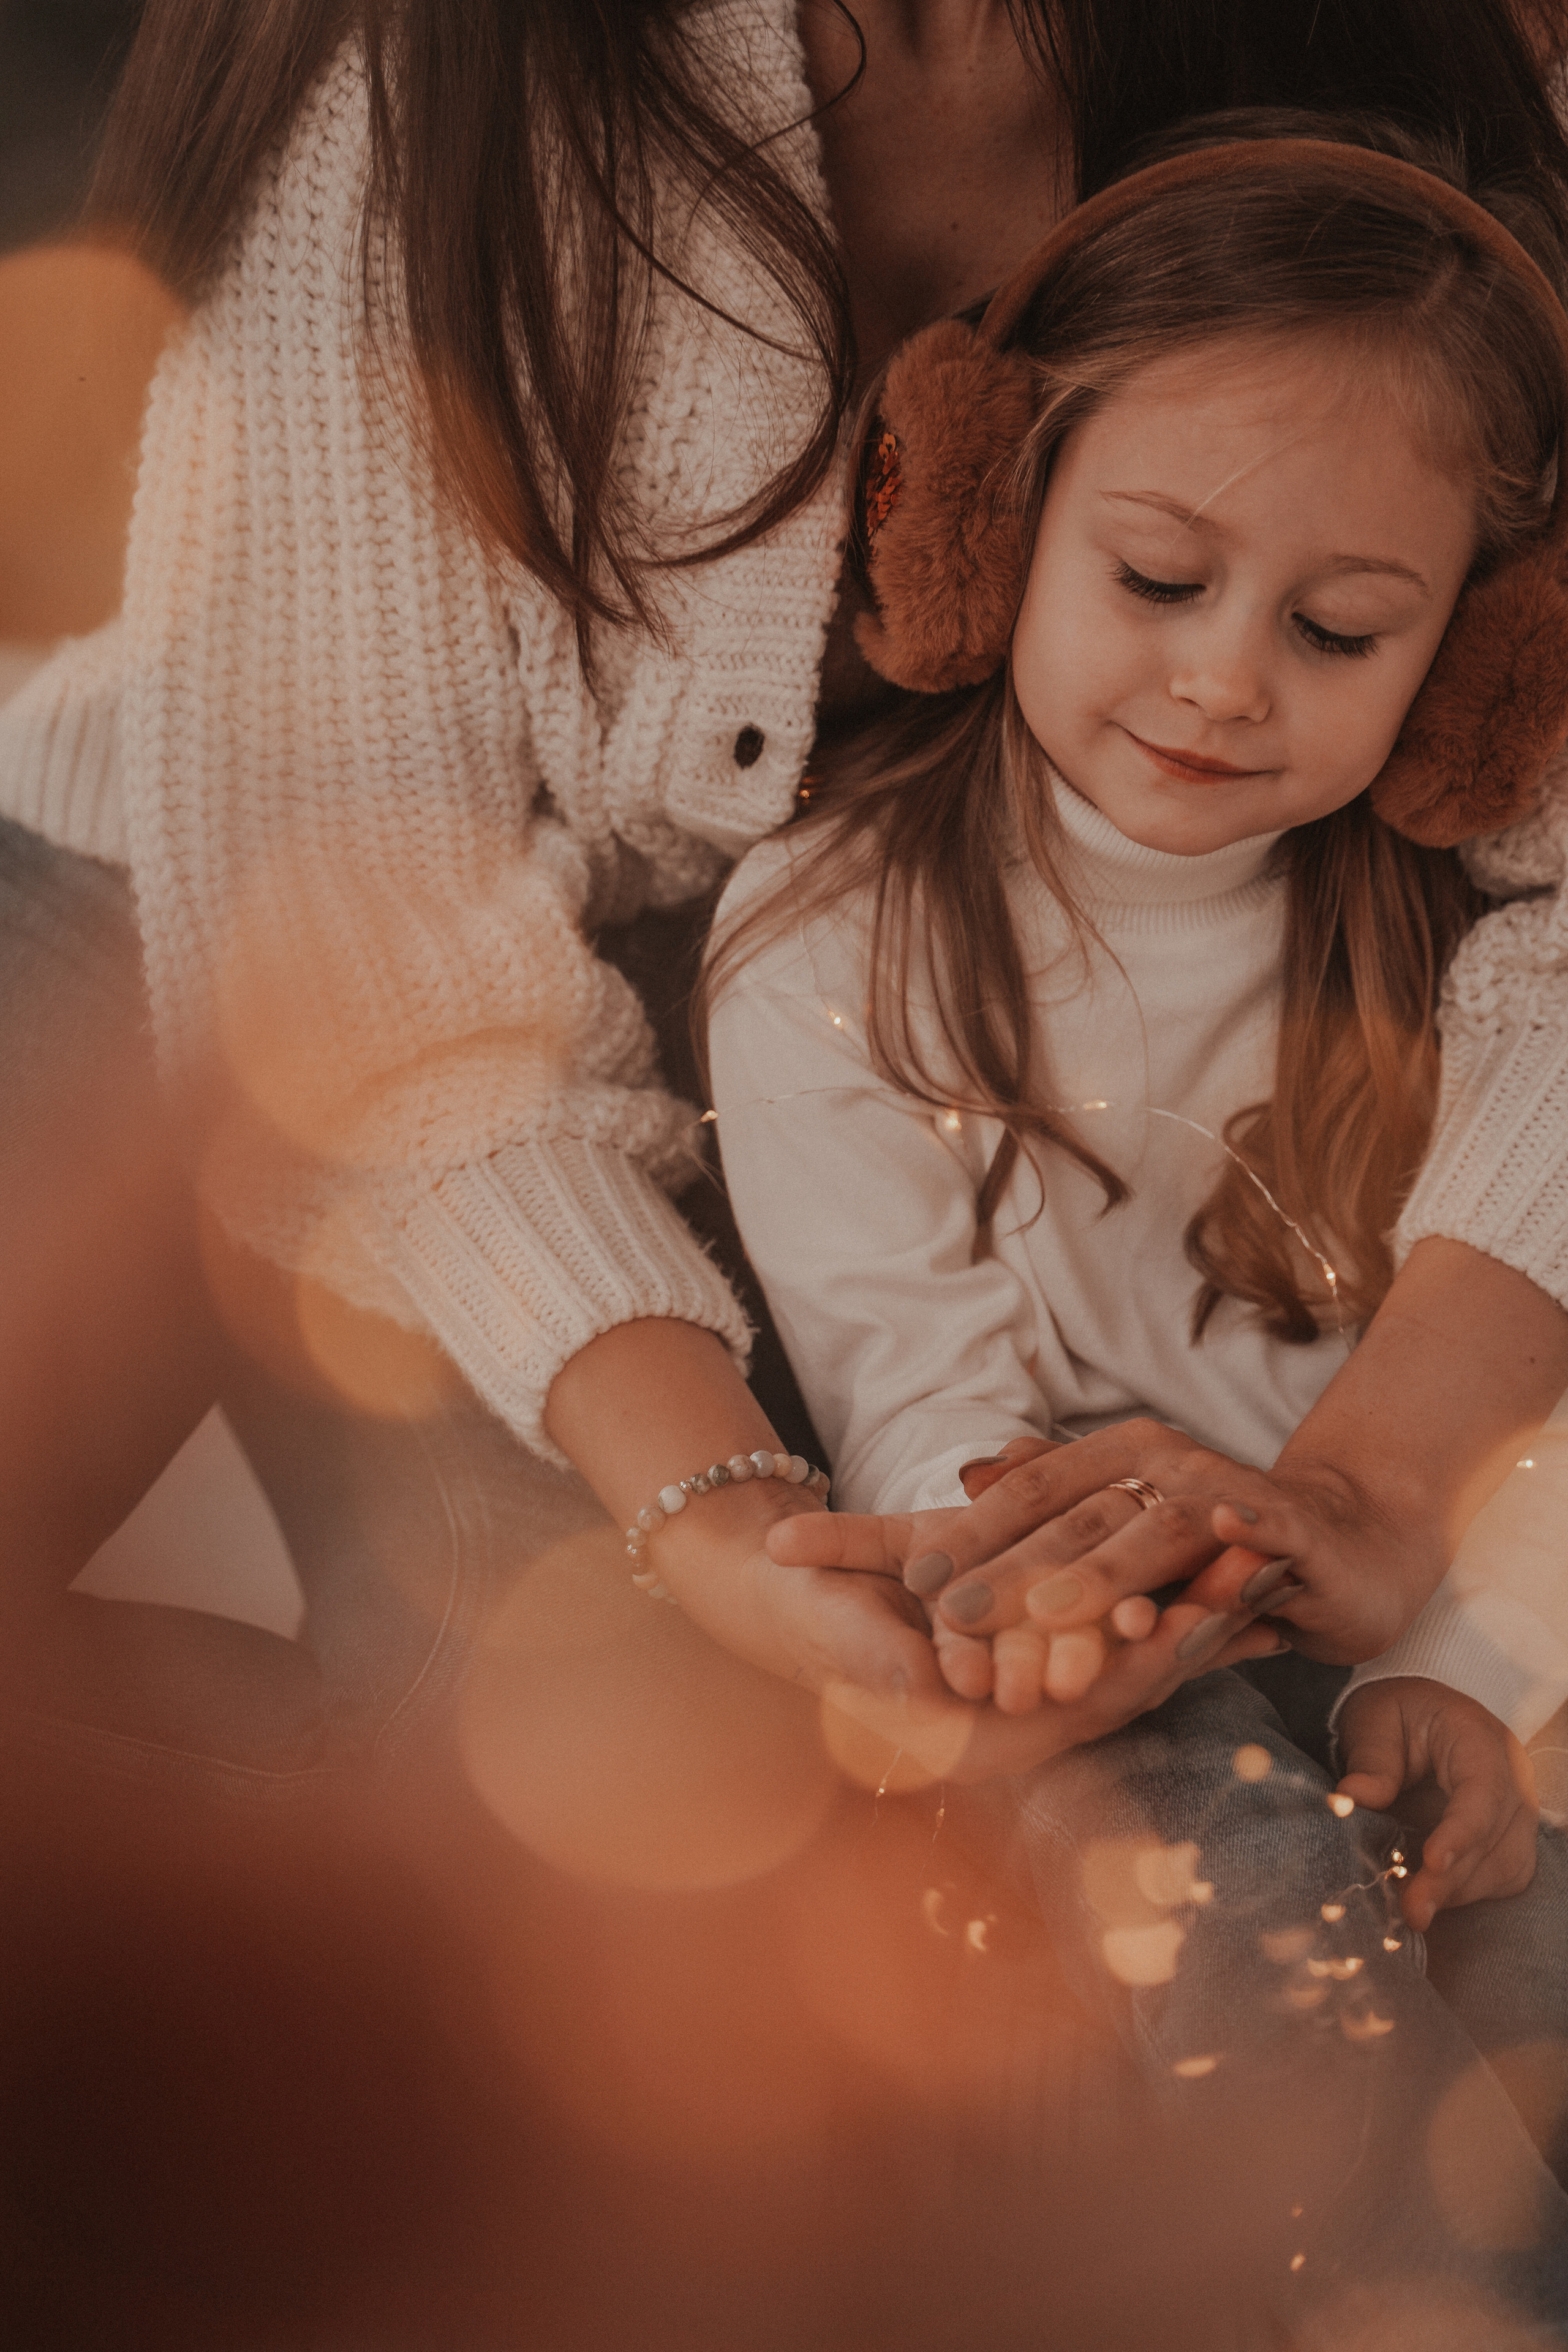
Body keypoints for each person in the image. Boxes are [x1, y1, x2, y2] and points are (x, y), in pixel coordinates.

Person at [1, 0, 1567, 1820]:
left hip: (810, 1029)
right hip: (228, 936)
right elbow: (356, 955)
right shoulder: (419, 68)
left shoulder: (1457, 63)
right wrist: (719, 1515)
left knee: (670, 1807)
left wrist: (1375, 1497)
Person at [703, 118, 1568, 2326]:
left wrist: (1448, 1676)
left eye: (1343, 628)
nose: (1223, 681)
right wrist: (1106, 1637)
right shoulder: (823, 932)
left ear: (1474, 675)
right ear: (991, 532)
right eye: (1160, 580)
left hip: (1384, 1637)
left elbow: (1504, 1412)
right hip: (1067, 1654)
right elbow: (916, 1407)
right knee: (1259, 1918)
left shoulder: (1464, 937)